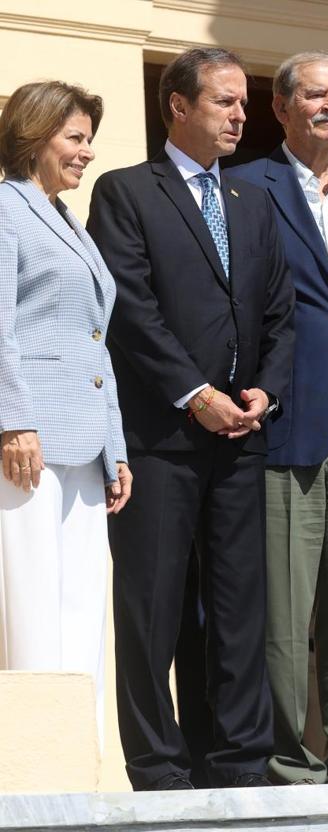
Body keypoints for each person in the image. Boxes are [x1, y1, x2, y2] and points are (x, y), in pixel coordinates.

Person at [88, 47, 295, 790]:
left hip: (240, 437)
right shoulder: (125, 192)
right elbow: (131, 311)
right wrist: (194, 393)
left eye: (244, 103)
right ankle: (158, 770)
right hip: (161, 439)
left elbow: (280, 311)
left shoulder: (254, 201)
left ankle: (243, 765)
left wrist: (263, 393)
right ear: (178, 106)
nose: (242, 115)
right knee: (152, 610)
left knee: (242, 608)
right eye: (226, 102)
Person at [228, 51, 328, 785]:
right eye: (318, 94)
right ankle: (289, 764)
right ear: (283, 107)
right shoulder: (242, 188)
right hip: (284, 422)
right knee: (285, 615)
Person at [0, 80, 132, 740]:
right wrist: (12, 421)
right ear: (34, 137)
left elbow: (93, 339)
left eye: (89, 139)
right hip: (27, 442)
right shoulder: (4, 208)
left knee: (82, 605)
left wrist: (117, 448)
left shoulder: (66, 220)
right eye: (75, 137)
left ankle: (79, 758)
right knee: (30, 602)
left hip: (83, 446)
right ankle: (32, 761)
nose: (87, 152)